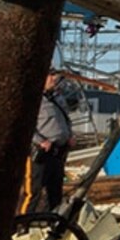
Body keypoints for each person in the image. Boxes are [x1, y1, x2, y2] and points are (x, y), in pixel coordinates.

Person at [30, 71, 71, 214]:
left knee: (55, 190)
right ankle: (22, 225)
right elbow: (27, 126)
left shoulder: (57, 99)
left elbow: (66, 120)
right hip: (41, 153)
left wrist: (69, 136)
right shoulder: (34, 100)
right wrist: (40, 141)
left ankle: (51, 219)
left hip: (58, 152)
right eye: (50, 76)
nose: (54, 79)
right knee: (33, 191)